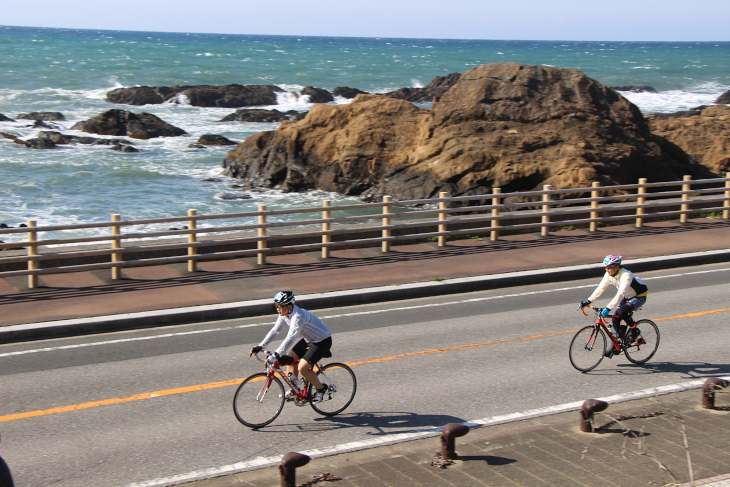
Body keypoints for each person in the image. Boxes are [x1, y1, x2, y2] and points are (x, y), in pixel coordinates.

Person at [250, 291, 333, 403]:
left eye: (280, 306)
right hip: (309, 340)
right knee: (290, 358)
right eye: (276, 306)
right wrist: (260, 346)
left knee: (302, 368)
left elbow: (290, 338)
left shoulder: (298, 317)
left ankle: (320, 389)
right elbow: (275, 330)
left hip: (322, 341)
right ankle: (295, 389)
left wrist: (277, 354)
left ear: (289, 306)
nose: (278, 309)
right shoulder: (285, 314)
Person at [580, 255, 648, 357]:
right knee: (616, 318)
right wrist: (589, 301)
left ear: (616, 267)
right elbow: (601, 288)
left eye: (609, 268)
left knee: (621, 312)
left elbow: (620, 293)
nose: (607, 270)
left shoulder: (626, 275)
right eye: (606, 268)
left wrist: (608, 308)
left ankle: (634, 331)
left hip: (639, 296)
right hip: (626, 296)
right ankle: (616, 345)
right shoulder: (609, 275)